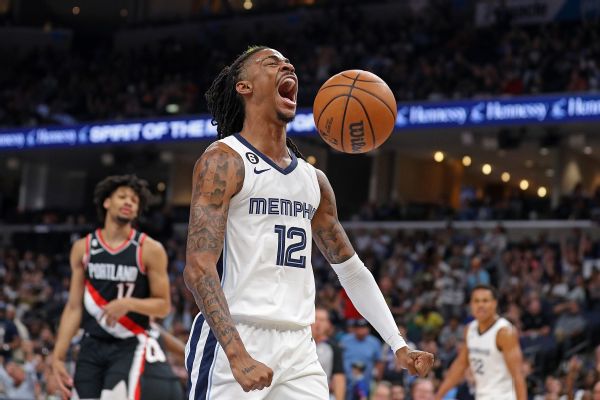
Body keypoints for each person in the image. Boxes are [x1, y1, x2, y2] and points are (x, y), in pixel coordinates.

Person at [183, 46, 434, 399]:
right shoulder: (224, 160)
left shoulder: (313, 180)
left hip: (299, 346)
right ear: (244, 86)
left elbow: (351, 271)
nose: (287, 67)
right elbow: (198, 267)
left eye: (290, 64)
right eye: (272, 63)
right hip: (235, 336)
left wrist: (398, 344)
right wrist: (237, 353)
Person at [51, 175, 171, 400]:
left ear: (137, 211)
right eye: (122, 197)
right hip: (91, 343)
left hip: (129, 343)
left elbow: (163, 306)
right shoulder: (83, 247)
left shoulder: (149, 249)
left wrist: (129, 303)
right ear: (106, 202)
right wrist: (58, 356)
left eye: (134, 200)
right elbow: (74, 306)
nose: (128, 202)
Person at [435, 284, 527, 400]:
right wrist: (439, 395)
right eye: (476, 301)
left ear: (494, 303)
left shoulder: (504, 332)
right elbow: (460, 365)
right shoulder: (470, 329)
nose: (480, 305)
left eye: (485, 301)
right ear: (471, 305)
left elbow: (518, 375)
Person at [312, 306, 345, 400]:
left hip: (322, 395)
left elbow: (339, 377)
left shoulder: (334, 347)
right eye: (315, 318)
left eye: (322, 320)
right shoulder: (300, 344)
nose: (318, 323)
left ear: (328, 324)